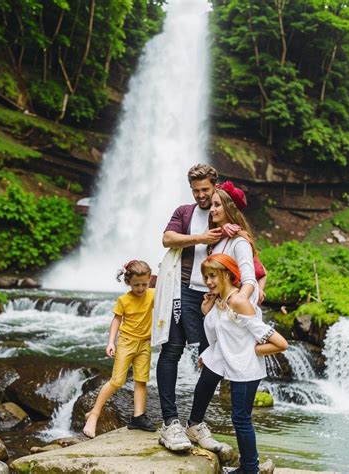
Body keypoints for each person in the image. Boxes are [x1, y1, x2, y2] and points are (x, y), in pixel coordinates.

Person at [185, 180, 270, 452]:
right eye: (212, 205)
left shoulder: (239, 241)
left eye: (218, 204)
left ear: (230, 207)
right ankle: (194, 425)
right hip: (221, 321)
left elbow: (249, 279)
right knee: (208, 372)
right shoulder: (221, 239)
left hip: (236, 320)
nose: (212, 209)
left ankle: (249, 464)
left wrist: (238, 300)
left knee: (224, 388)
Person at [198, 253, 288, 473]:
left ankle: (250, 468)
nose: (208, 282)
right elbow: (222, 335)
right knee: (239, 417)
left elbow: (280, 344)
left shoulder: (239, 301)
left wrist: (253, 350)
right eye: (206, 277)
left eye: (213, 276)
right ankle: (249, 467)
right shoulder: (221, 301)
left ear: (227, 275)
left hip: (247, 370)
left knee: (240, 418)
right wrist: (206, 309)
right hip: (236, 367)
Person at [156, 163, 222, 451]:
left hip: (213, 295)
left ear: (215, 186)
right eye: (196, 190)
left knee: (215, 358)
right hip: (181, 290)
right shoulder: (184, 212)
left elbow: (245, 243)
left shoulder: (224, 211)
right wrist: (200, 238)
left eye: (205, 190)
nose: (200, 195)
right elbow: (167, 239)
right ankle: (170, 422)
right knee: (172, 349)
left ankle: (195, 423)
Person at [83, 260, 156, 438]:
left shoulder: (153, 294)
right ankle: (94, 414)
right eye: (136, 285)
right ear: (128, 282)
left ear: (150, 280)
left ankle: (138, 416)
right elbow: (116, 320)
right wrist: (111, 342)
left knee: (141, 380)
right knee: (117, 381)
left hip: (145, 343)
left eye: (144, 284)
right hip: (126, 342)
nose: (140, 288)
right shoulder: (124, 300)